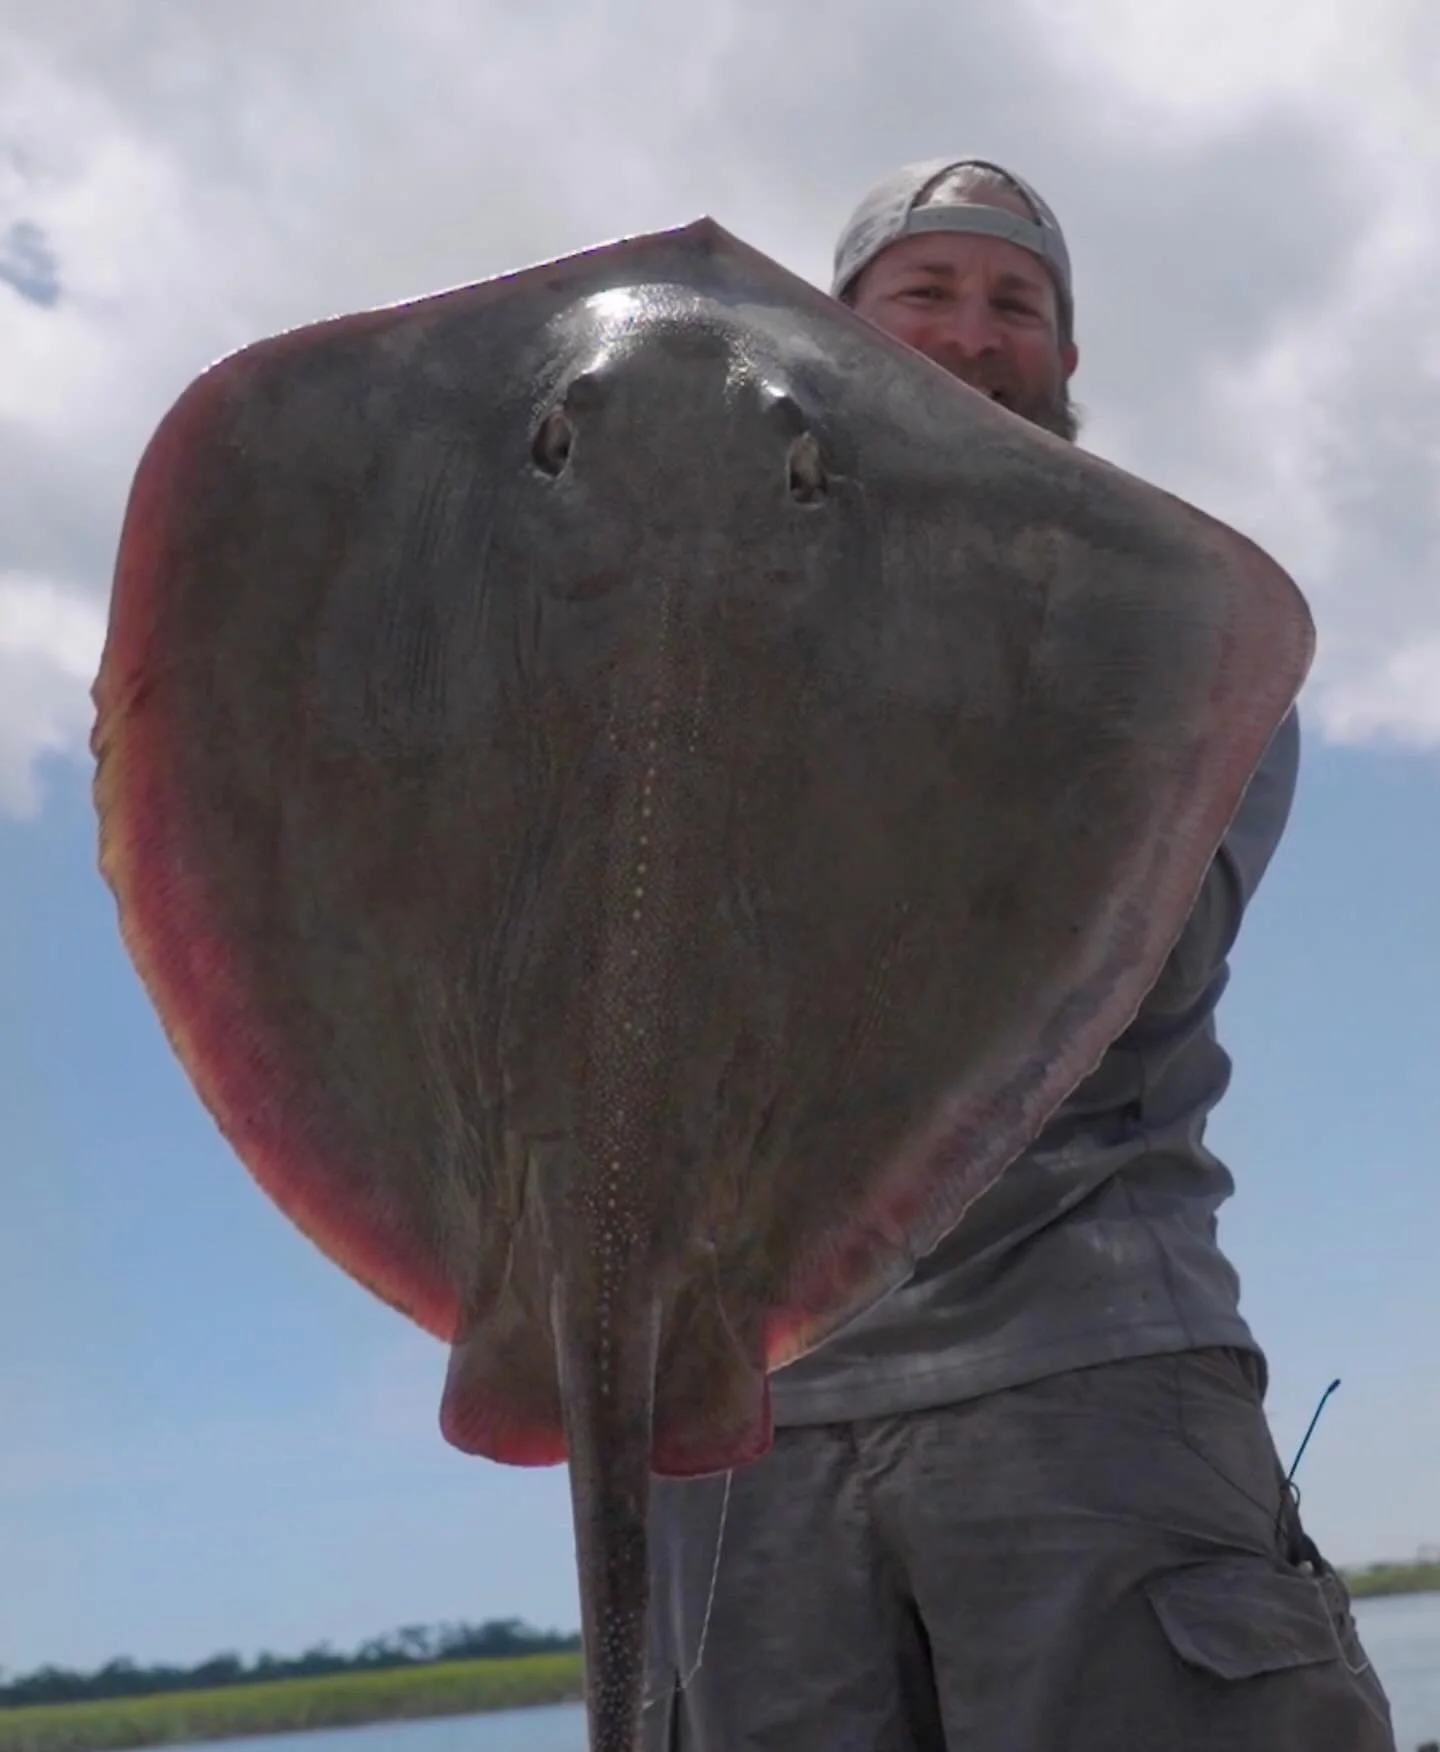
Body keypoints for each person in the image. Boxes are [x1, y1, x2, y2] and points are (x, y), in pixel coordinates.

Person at [640, 158, 1398, 1751]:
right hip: (736, 1417)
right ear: (831, 334)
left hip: (1086, 1365)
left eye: (1019, 306)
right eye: (926, 293)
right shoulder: (671, 635)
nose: (977, 334)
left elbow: (1137, 975)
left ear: (1063, 364)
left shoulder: (1181, 612)